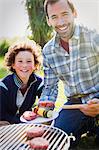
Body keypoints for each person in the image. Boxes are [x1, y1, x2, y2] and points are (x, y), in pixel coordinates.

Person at [39, 0, 99, 146]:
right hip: (75, 104)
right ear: (48, 20)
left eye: (65, 14)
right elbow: (50, 87)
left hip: (98, 95)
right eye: (54, 17)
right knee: (57, 139)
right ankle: (89, 125)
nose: (60, 22)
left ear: (74, 13)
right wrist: (42, 110)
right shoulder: (48, 51)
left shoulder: (93, 36)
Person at [0, 39, 43, 124]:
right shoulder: (3, 86)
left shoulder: (38, 82)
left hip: (25, 123)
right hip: (6, 122)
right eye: (20, 61)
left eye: (29, 61)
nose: (24, 65)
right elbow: (1, 115)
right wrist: (22, 121)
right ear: (13, 64)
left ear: (35, 65)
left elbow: (46, 101)